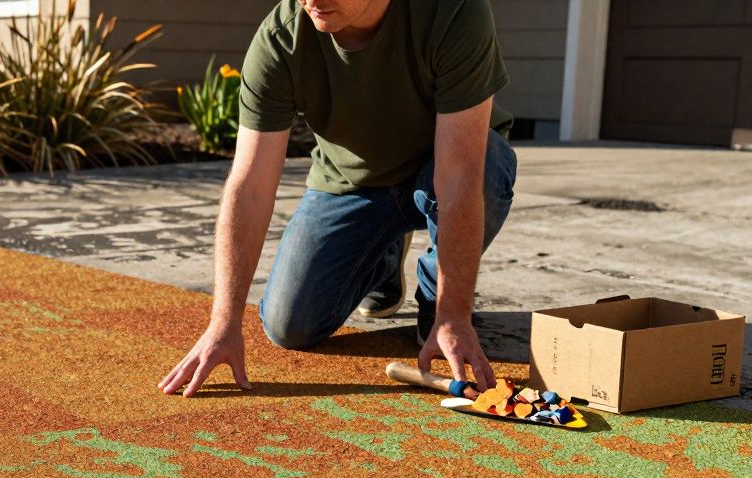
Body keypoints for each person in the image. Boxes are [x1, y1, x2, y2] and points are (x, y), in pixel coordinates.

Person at [159, 0, 517, 398]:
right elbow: (251, 186)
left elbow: (458, 178)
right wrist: (223, 323)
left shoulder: (453, 12)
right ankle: (381, 257)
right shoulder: (281, 40)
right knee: (289, 326)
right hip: (352, 184)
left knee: (485, 169)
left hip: (441, 165)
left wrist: (454, 316)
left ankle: (436, 297)